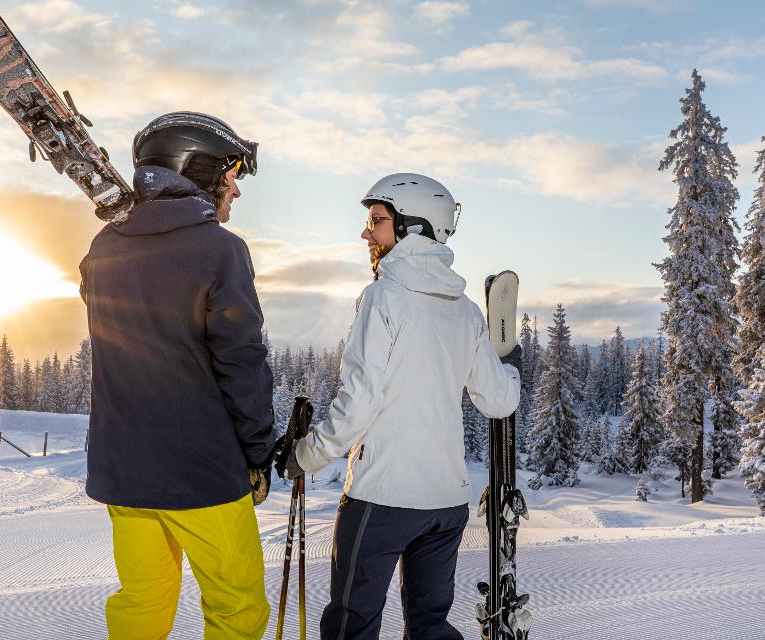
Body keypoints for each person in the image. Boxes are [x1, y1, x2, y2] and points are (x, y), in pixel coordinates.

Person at [280, 173, 522, 639]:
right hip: (446, 503)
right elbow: (497, 400)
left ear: (414, 228)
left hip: (383, 499)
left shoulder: (383, 296)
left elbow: (358, 403)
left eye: (376, 221)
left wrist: (303, 456)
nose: (366, 233)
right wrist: (511, 368)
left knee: (354, 624)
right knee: (429, 626)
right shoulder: (467, 309)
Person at [79, 112, 275, 640]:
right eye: (232, 174)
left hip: (124, 471)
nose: (236, 189)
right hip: (201, 474)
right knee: (237, 608)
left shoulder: (103, 248)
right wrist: (258, 451)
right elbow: (241, 360)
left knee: (142, 601)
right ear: (202, 169)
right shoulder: (219, 249)